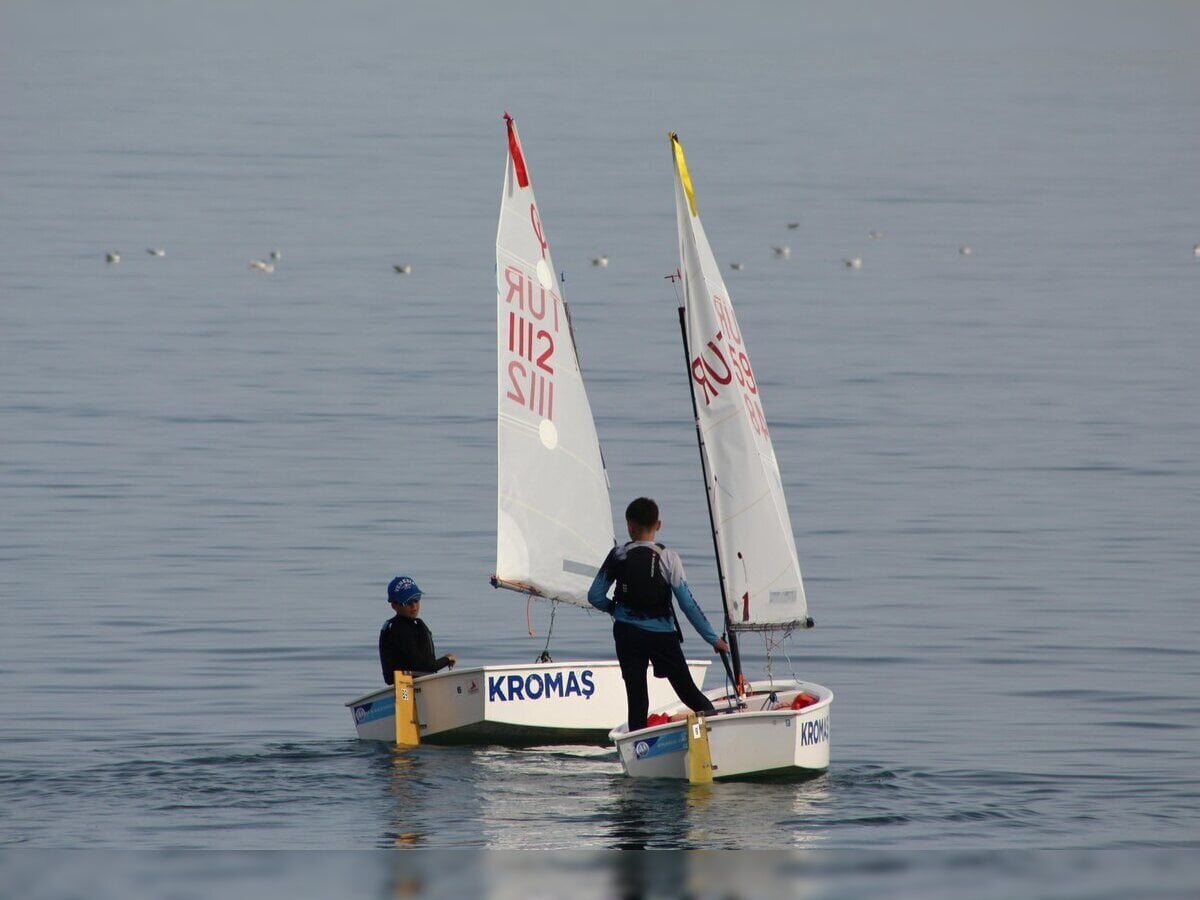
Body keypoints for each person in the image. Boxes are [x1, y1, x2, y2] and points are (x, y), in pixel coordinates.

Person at [588, 497, 730, 732]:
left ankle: (639, 747)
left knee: (637, 699)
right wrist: (713, 639)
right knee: (689, 693)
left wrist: (615, 609)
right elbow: (687, 604)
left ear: (629, 526)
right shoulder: (668, 557)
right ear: (659, 525)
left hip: (627, 634)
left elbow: (595, 596)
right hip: (662, 637)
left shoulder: (618, 555)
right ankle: (715, 734)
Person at [378, 575, 456, 684]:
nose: (414, 606)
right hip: (404, 689)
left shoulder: (415, 625)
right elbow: (424, 667)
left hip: (421, 685)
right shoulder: (398, 630)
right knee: (406, 697)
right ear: (394, 605)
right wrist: (447, 659)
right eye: (408, 602)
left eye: (417, 599)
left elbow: (424, 666)